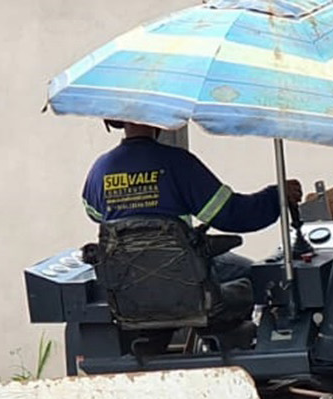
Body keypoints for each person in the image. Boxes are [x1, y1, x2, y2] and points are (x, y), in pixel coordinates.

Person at [81, 121, 304, 305]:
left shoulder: (100, 168)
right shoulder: (178, 163)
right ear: (159, 120)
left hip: (128, 284)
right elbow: (231, 215)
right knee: (260, 277)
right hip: (183, 275)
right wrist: (275, 197)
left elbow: (95, 214)